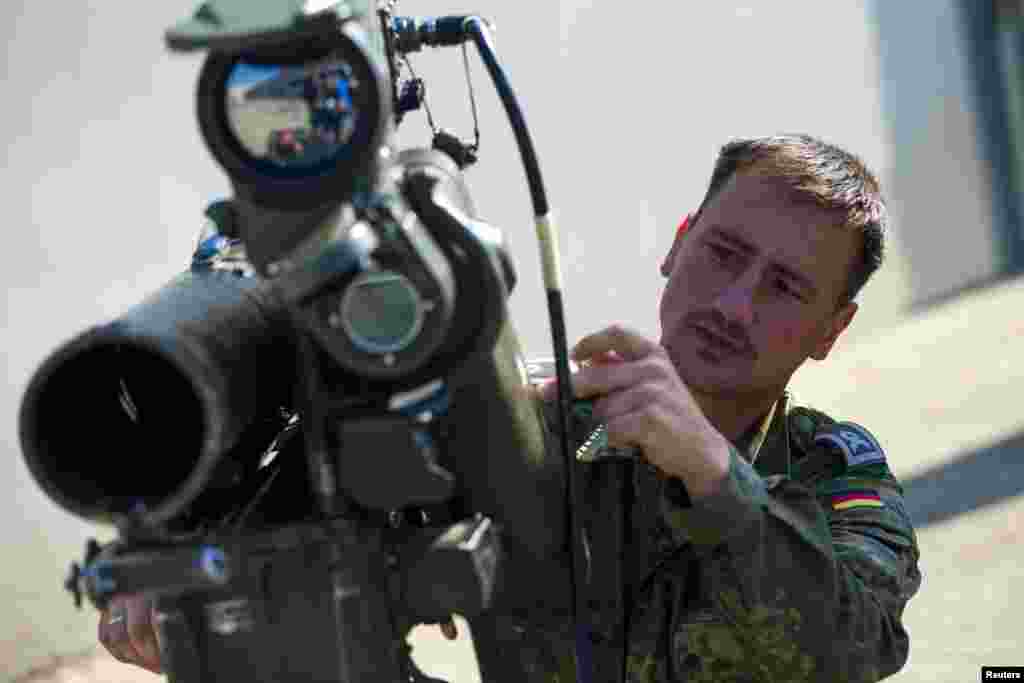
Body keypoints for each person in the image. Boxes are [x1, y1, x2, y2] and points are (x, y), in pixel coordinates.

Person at [97, 134, 922, 682]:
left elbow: (850, 647)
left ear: (831, 330)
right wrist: (187, 581)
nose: (735, 304)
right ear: (679, 243)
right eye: (724, 253)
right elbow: (313, 521)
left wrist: (714, 474)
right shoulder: (529, 423)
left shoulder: (832, 474)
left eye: (784, 286)